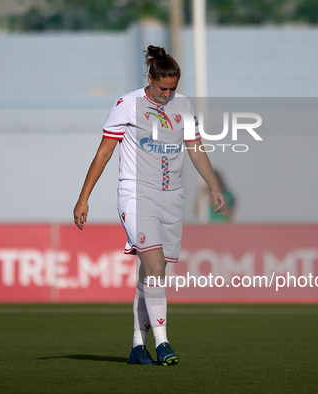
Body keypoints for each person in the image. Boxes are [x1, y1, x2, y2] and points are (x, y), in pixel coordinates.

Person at [73, 45, 225, 366]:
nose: (167, 95)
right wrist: (84, 197)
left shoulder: (182, 105)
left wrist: (213, 185)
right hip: (136, 195)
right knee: (155, 268)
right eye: (161, 88)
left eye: (172, 88)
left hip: (172, 197)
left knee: (150, 275)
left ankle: (136, 346)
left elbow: (195, 148)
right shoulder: (127, 105)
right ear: (150, 78)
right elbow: (104, 153)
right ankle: (163, 343)